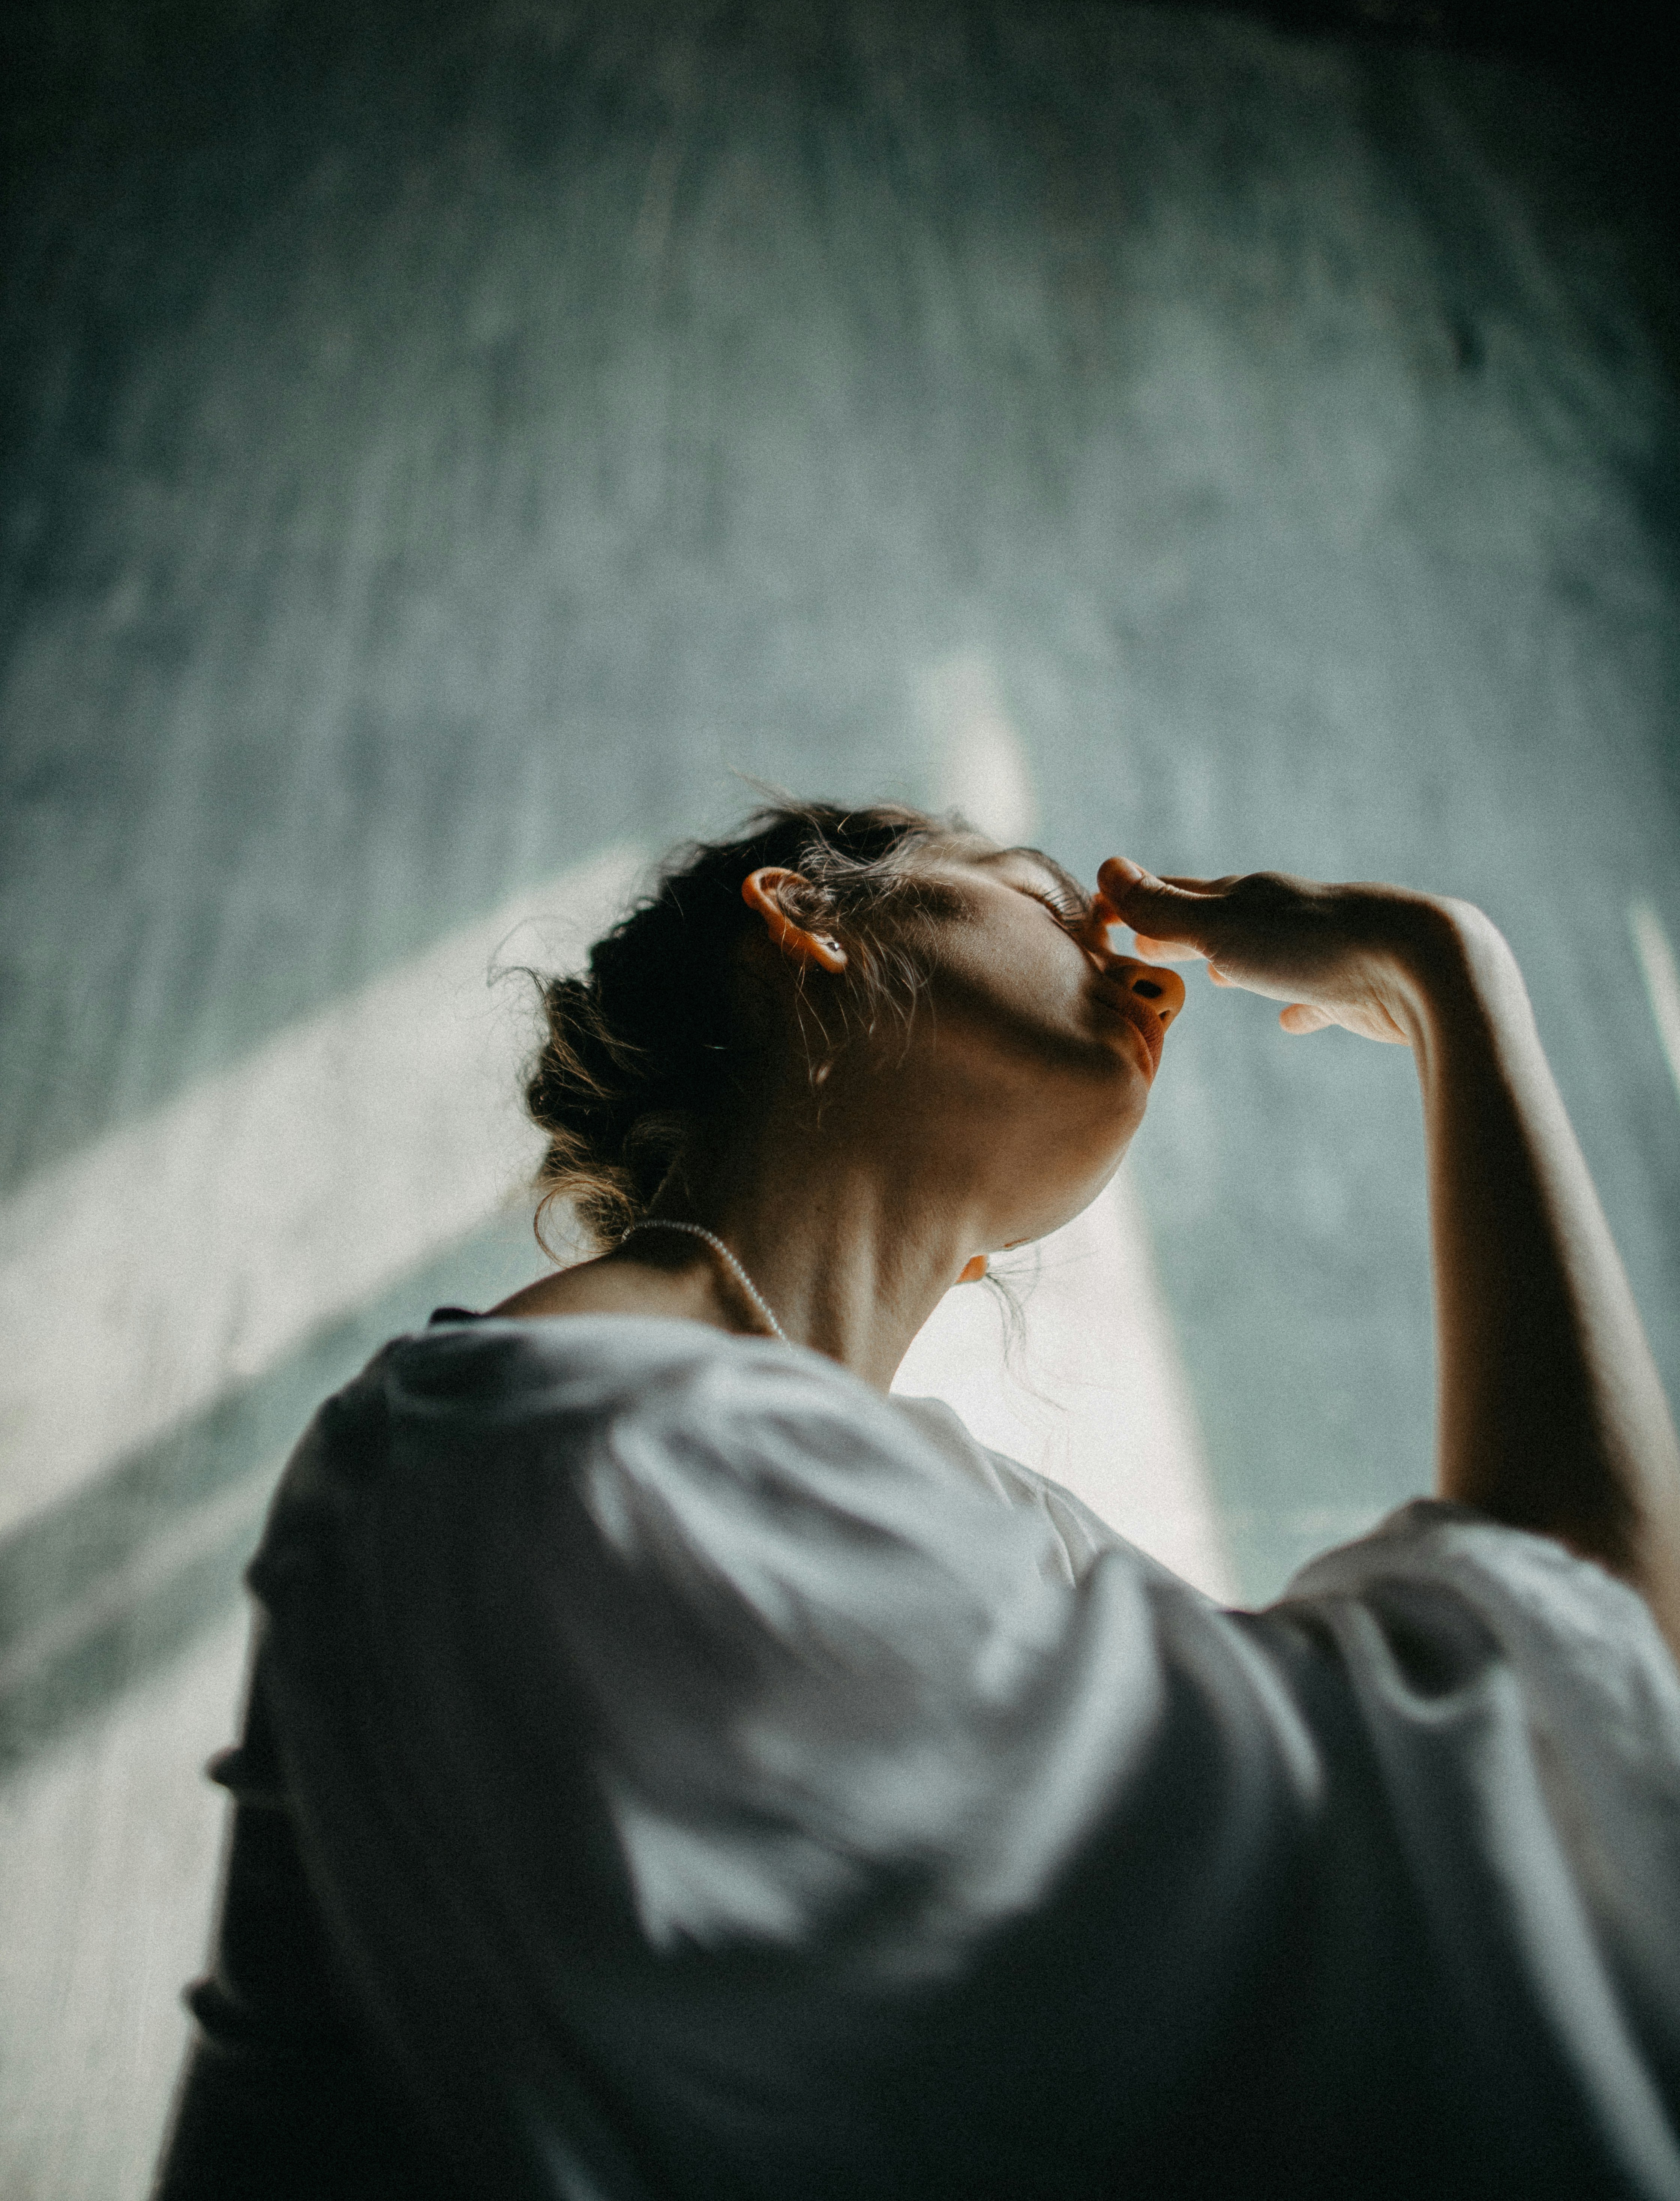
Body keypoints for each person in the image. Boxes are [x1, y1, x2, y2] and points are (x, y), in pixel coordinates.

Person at [153, 799, 1680, 2201]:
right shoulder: (538, 1446)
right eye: (1039, 891)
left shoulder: (1007, 1533)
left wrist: (1447, 974)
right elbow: (1542, 1729)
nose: (1136, 962)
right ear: (805, 922)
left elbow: (1571, 1720)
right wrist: (1445, 978)